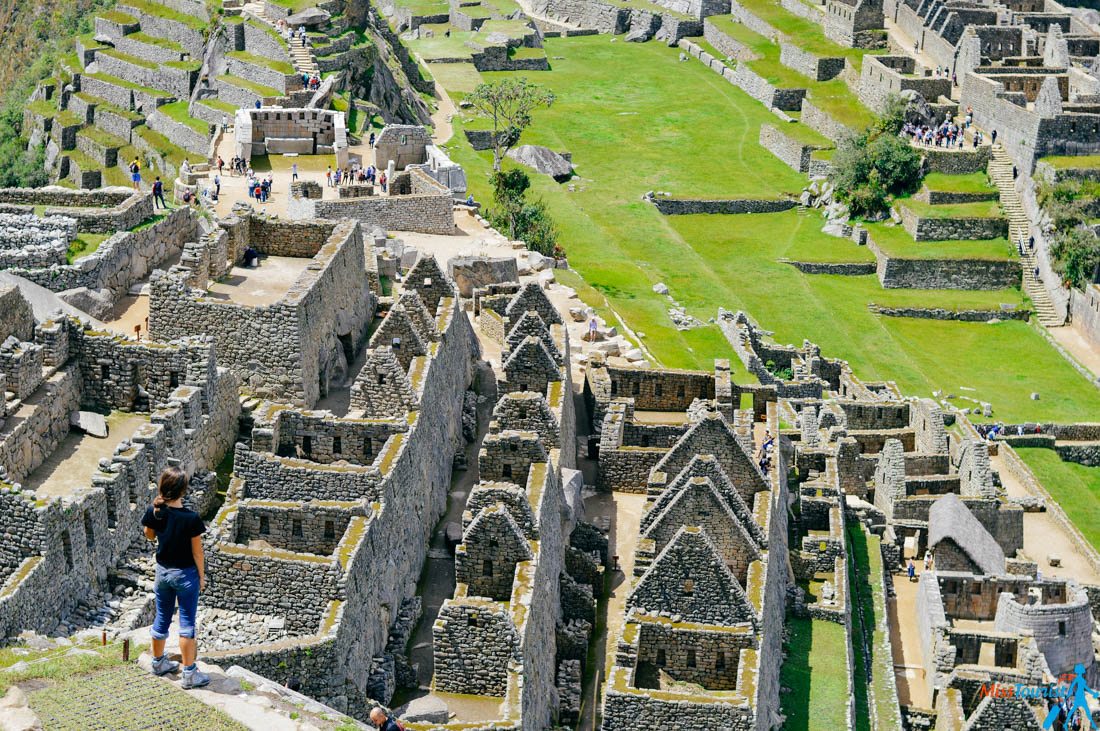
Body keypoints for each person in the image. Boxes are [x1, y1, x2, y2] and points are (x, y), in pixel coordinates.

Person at [142, 467, 209, 689]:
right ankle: (189, 674)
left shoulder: (155, 511)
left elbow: (149, 536)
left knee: (162, 617)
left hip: (163, 572)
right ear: (183, 491)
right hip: (185, 574)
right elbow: (197, 552)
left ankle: (158, 662)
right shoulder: (190, 518)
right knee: (187, 623)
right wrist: (201, 576)